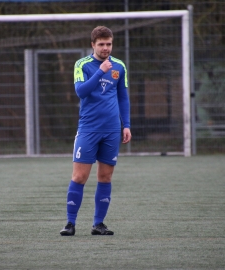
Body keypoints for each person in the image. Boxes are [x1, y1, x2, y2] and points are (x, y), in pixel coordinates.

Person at [60, 26, 131, 236]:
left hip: (111, 130)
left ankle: (98, 224)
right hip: (88, 129)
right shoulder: (82, 65)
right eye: (101, 44)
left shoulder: (119, 66)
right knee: (80, 176)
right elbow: (81, 91)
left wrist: (126, 124)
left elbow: (123, 97)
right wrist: (101, 71)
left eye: (109, 44)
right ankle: (70, 223)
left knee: (106, 177)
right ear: (93, 45)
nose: (106, 48)